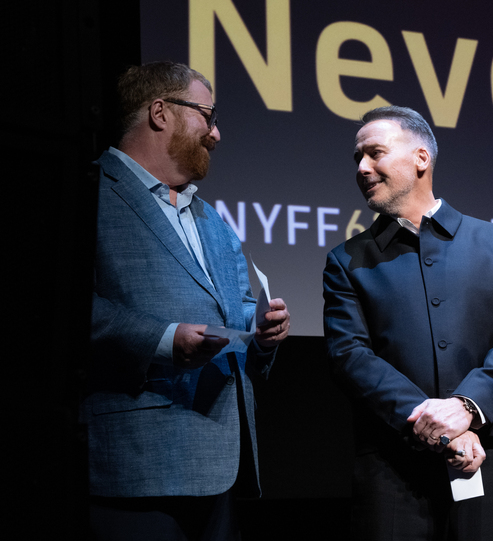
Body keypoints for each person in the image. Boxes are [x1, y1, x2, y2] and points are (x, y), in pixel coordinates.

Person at [84, 61, 290, 540]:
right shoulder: (92, 191)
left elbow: (237, 304)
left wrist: (262, 332)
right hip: (137, 463)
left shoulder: (210, 216)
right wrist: (162, 339)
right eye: (207, 115)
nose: (216, 134)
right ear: (160, 112)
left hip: (221, 465)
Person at [323, 106, 493, 541]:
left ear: (421, 158)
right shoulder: (346, 259)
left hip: (486, 447)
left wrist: (465, 409)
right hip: (392, 461)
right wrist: (435, 425)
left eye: (375, 153)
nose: (363, 168)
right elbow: (350, 355)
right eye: (357, 159)